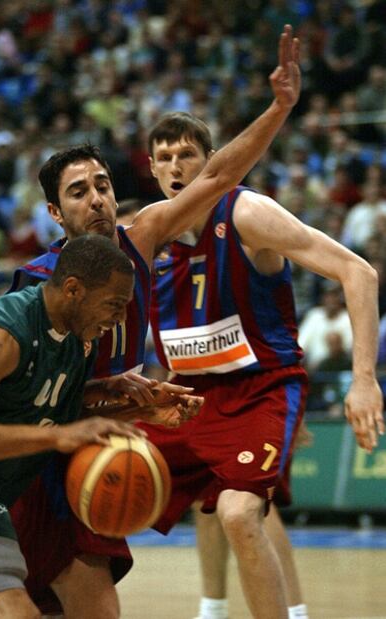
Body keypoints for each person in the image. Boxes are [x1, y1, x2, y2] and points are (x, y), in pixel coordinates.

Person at [9, 25, 303, 619]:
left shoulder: (139, 239)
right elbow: (36, 404)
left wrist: (279, 107)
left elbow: (218, 177)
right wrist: (124, 398)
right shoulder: (38, 289)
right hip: (27, 467)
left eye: (102, 185)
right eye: (78, 192)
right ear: (53, 213)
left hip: (82, 456)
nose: (96, 199)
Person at [138, 106, 384, 619]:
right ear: (153, 169)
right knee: (84, 482)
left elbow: (358, 273)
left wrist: (364, 381)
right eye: (166, 157)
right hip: (187, 395)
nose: (177, 166)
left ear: (213, 163)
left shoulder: (247, 214)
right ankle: (210, 607)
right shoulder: (147, 235)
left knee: (239, 511)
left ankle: (291, 611)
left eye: (188, 154)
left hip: (261, 391)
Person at [0, 235, 145, 619]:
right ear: (73, 289)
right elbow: (59, 433)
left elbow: (60, 420)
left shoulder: (75, 342)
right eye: (115, 305)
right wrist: (59, 436)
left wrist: (137, 409)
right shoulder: (0, 337)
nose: (120, 320)